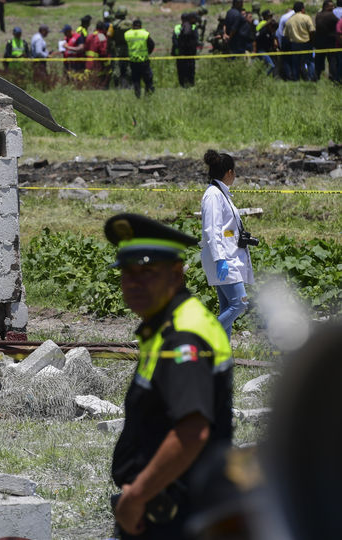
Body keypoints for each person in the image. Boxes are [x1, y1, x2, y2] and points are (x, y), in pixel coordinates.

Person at [105, 212, 234, 540]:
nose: (134, 283)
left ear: (176, 275)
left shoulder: (183, 337)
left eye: (147, 272)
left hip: (175, 515)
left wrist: (136, 497)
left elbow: (192, 431)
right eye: (127, 273)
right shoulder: (166, 323)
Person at [200, 150, 255, 341]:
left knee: (227, 308)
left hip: (227, 257)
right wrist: (220, 259)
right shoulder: (214, 195)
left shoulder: (221, 194)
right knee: (239, 304)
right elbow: (211, 230)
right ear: (229, 172)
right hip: (223, 260)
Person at [284, 1, 316, 81]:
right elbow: (312, 30)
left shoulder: (289, 20)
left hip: (295, 44)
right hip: (306, 43)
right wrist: (312, 40)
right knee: (310, 61)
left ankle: (296, 78)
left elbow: (286, 35)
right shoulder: (306, 18)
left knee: (295, 63)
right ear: (302, 9)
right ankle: (311, 77)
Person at [125, 19, 154, 98]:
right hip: (144, 60)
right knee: (148, 79)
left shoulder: (127, 34)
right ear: (141, 26)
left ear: (132, 26)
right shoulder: (144, 34)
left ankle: (137, 96)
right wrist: (148, 52)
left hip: (133, 61)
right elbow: (151, 44)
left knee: (136, 80)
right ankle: (147, 95)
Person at [109, 6, 131, 88]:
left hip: (117, 49)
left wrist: (109, 47)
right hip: (128, 48)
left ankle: (117, 85)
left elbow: (109, 36)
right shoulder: (130, 23)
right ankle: (129, 85)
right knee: (128, 67)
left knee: (116, 67)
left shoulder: (113, 24)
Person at [314, 1, 337, 80]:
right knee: (332, 61)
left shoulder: (318, 15)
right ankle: (333, 78)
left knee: (319, 61)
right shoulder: (331, 15)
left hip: (319, 42)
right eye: (331, 6)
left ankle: (316, 76)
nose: (333, 8)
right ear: (326, 7)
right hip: (330, 42)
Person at [176, 12, 199, 87]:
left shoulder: (183, 26)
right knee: (189, 71)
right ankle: (189, 85)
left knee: (184, 71)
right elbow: (187, 36)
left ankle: (185, 84)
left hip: (184, 53)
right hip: (188, 53)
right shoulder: (189, 26)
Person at [85, 21, 109, 86]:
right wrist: (106, 62)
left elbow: (85, 48)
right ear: (103, 28)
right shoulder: (101, 36)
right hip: (97, 63)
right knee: (99, 82)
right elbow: (103, 51)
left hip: (88, 62)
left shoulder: (90, 36)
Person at [255, 10, 278, 75]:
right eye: (269, 16)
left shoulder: (270, 31)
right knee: (271, 65)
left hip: (266, 50)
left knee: (263, 66)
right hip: (260, 50)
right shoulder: (264, 26)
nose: (271, 17)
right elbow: (256, 38)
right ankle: (262, 77)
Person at [275, 5, 296, 79]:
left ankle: (289, 75)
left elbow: (279, 33)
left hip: (285, 40)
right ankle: (294, 75)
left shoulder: (283, 18)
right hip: (292, 40)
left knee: (286, 60)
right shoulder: (290, 17)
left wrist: (280, 45)